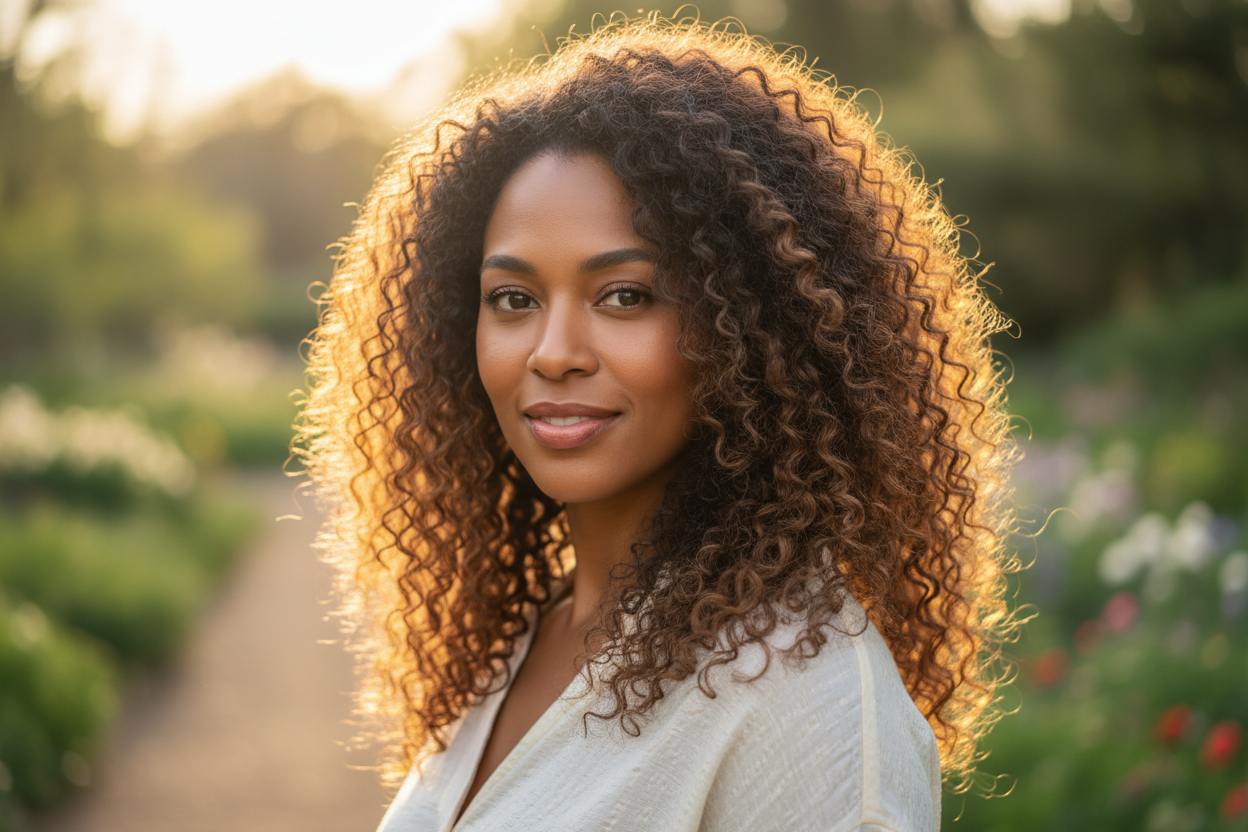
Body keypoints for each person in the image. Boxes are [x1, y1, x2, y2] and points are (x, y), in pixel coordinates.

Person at [296, 17, 1017, 832]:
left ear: (753, 325)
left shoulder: (804, 702)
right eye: (514, 299)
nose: (553, 352)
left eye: (625, 296)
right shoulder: (530, 634)